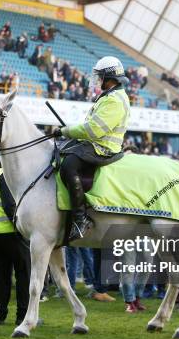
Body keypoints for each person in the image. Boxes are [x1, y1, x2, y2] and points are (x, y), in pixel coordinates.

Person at [55, 56, 130, 240]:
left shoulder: (114, 99)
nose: (97, 80)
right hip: (96, 144)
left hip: (103, 148)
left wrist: (66, 131)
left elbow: (93, 130)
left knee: (69, 165)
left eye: (100, 76)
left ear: (110, 77)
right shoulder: (109, 95)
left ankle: (80, 219)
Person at [0, 164, 30, 326]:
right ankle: (23, 315)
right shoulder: (5, 175)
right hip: (10, 231)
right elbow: (9, 205)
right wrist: (21, 228)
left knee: (2, 277)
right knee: (24, 273)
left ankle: (0, 314)